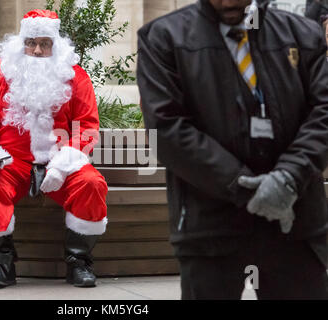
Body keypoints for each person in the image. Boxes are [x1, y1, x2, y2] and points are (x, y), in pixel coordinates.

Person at [137, 0, 328, 299]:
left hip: (295, 222)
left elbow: (323, 112)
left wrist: (289, 176)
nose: (227, 1)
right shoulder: (164, 37)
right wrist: (242, 186)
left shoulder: (304, 35)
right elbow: (167, 129)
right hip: (211, 224)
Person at [0, 9, 108, 288]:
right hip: (11, 161)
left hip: (60, 160)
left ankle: (78, 262)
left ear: (56, 47)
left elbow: (88, 128)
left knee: (91, 183)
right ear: (21, 44)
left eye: (45, 43)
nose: (37, 50)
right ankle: (1, 263)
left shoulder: (75, 76)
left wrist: (63, 164)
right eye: (31, 43)